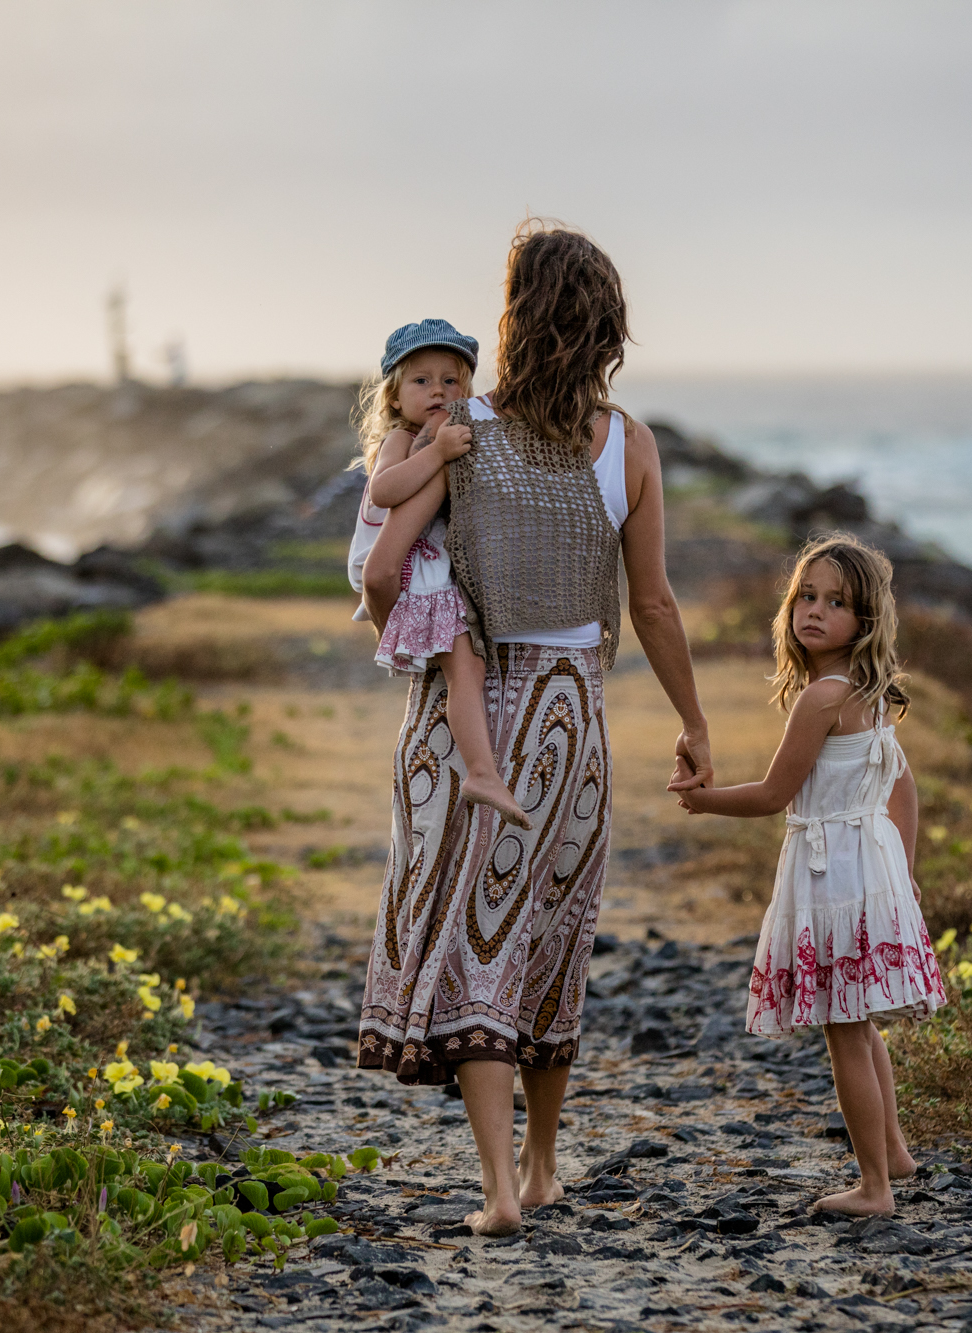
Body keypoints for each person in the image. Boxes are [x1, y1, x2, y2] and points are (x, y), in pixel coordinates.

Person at [357, 223, 713, 1236]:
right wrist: (692, 722)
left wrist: (418, 653)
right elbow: (651, 606)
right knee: (550, 930)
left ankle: (496, 1192)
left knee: (477, 931)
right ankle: (544, 1160)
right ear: (604, 329)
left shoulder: (455, 425)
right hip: (573, 717)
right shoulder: (629, 443)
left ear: (513, 317)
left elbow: (384, 572)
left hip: (464, 713)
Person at [676, 535, 946, 1216]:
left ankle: (875, 1186)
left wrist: (703, 799)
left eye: (836, 602)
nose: (815, 611)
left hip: (836, 870)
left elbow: (774, 794)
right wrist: (901, 873)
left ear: (864, 622)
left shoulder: (823, 698)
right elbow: (903, 789)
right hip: (869, 863)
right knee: (859, 1022)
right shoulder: (872, 691)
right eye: (806, 596)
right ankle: (899, 1154)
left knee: (844, 1029)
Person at [346, 319, 529, 829]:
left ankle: (481, 771)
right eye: (421, 381)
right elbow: (385, 492)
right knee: (463, 670)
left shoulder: (440, 433)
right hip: (409, 570)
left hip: (426, 569)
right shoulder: (402, 441)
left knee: (465, 669)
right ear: (395, 398)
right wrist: (439, 452)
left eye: (451, 381)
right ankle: (481, 771)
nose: (438, 390)